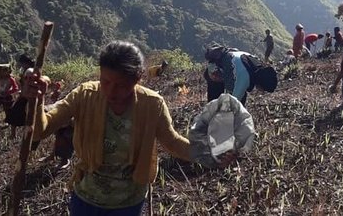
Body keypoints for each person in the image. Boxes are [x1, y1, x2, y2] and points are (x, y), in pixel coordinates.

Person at [25, 40, 232, 215]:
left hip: (128, 204)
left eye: (121, 85)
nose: (111, 91)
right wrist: (37, 100)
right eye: (105, 81)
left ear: (137, 80)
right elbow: (42, 129)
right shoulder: (85, 95)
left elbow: (172, 142)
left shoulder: (151, 104)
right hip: (86, 199)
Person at [204, 46, 278, 106]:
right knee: (217, 103)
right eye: (264, 89)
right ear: (262, 83)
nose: (262, 91)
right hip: (215, 71)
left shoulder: (256, 64)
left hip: (225, 65)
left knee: (239, 99)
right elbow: (233, 102)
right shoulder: (244, 78)